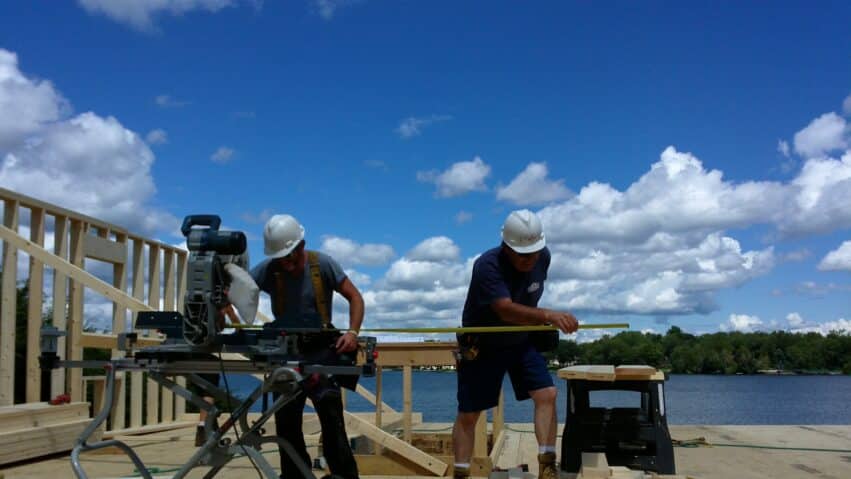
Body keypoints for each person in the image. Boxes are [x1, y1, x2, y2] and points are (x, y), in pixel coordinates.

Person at [452, 209, 579, 479]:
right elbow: (505, 310)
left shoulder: (543, 257)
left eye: (534, 253)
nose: (530, 260)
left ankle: (546, 464)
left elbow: (525, 300)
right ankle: (461, 474)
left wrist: (541, 321)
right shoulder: (487, 266)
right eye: (523, 255)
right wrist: (549, 316)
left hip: (520, 340)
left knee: (547, 394)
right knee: (470, 413)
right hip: (482, 344)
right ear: (506, 247)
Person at [250, 214, 364, 479]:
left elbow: (355, 297)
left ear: (301, 245)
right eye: (282, 259)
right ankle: (295, 476)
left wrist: (353, 332)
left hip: (321, 349)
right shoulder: (269, 269)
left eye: (290, 257)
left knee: (331, 418)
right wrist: (224, 310)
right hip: (286, 350)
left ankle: (344, 476)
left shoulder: (321, 264)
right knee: (287, 423)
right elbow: (239, 291)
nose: (287, 265)